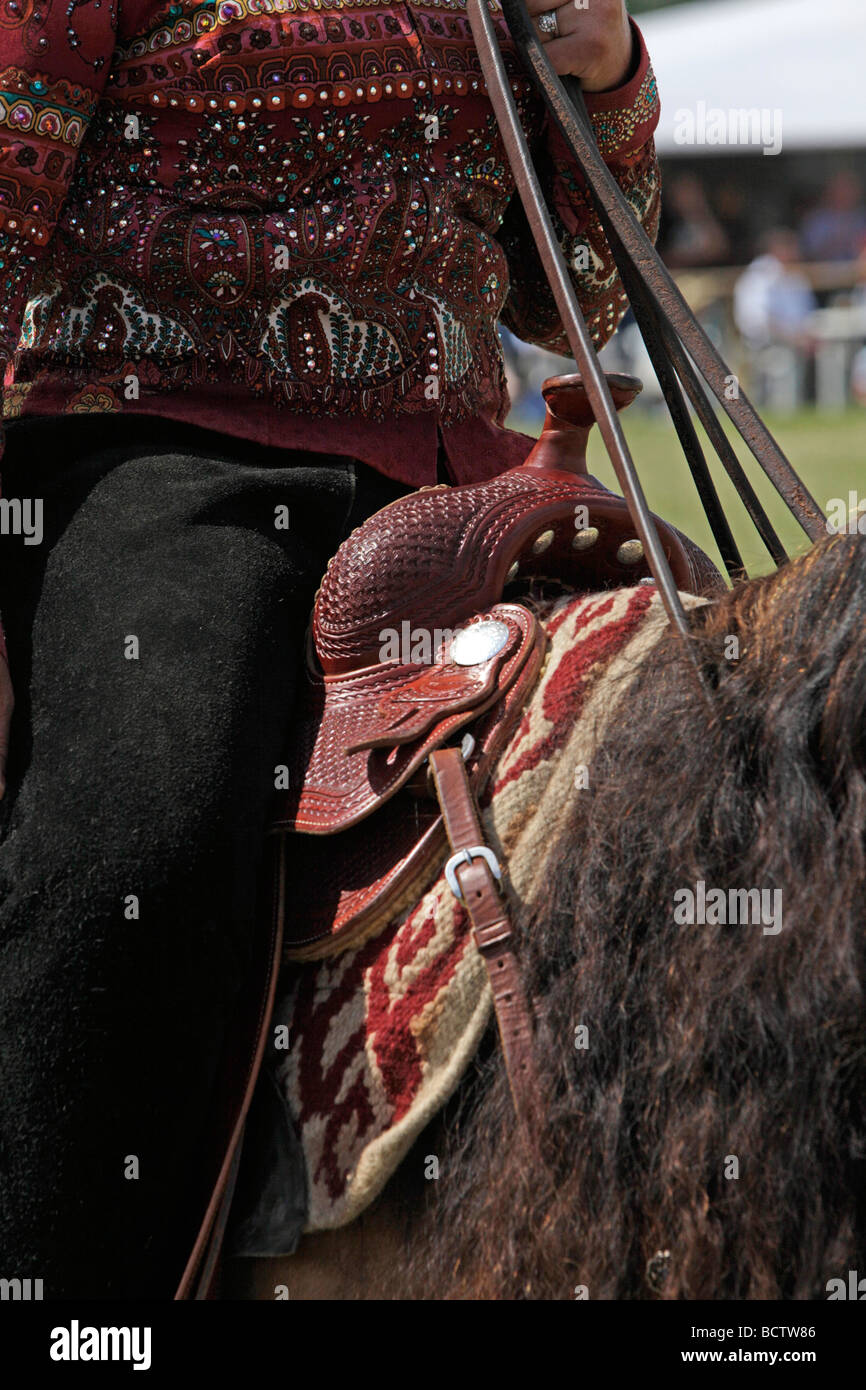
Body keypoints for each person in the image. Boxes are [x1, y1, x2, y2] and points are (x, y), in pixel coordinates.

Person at [0, 0, 661, 1298]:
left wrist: (607, 74)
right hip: (167, 451)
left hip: (465, 484)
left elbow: (576, 289)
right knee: (146, 822)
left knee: (724, 722)